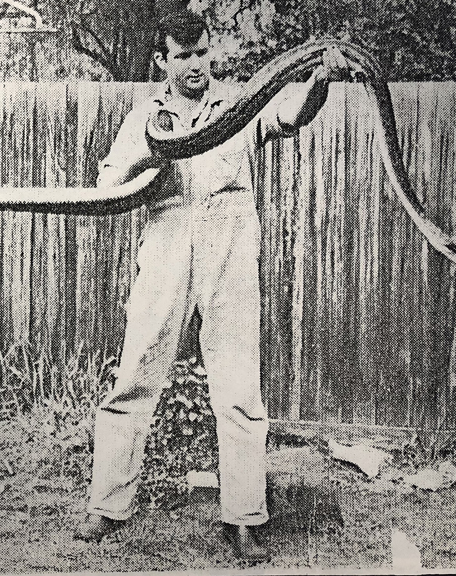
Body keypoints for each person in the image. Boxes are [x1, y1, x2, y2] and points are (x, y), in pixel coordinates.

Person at [73, 11, 349, 561]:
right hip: (168, 244)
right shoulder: (144, 118)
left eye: (202, 53)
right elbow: (107, 185)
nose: (196, 65)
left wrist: (321, 81)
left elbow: (293, 116)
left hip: (229, 245)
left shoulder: (240, 104)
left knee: (239, 387)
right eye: (183, 56)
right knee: (134, 377)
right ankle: (107, 506)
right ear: (162, 60)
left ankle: (244, 517)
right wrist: (154, 155)